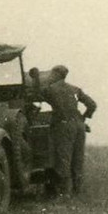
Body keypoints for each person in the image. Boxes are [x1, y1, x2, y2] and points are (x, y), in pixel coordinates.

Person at [39, 65, 97, 197]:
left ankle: (64, 193)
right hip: (79, 125)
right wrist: (83, 118)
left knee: (63, 158)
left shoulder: (50, 89)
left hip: (63, 125)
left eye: (52, 74)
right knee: (77, 157)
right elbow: (92, 105)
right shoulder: (75, 89)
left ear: (56, 74)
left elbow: (38, 95)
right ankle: (77, 191)